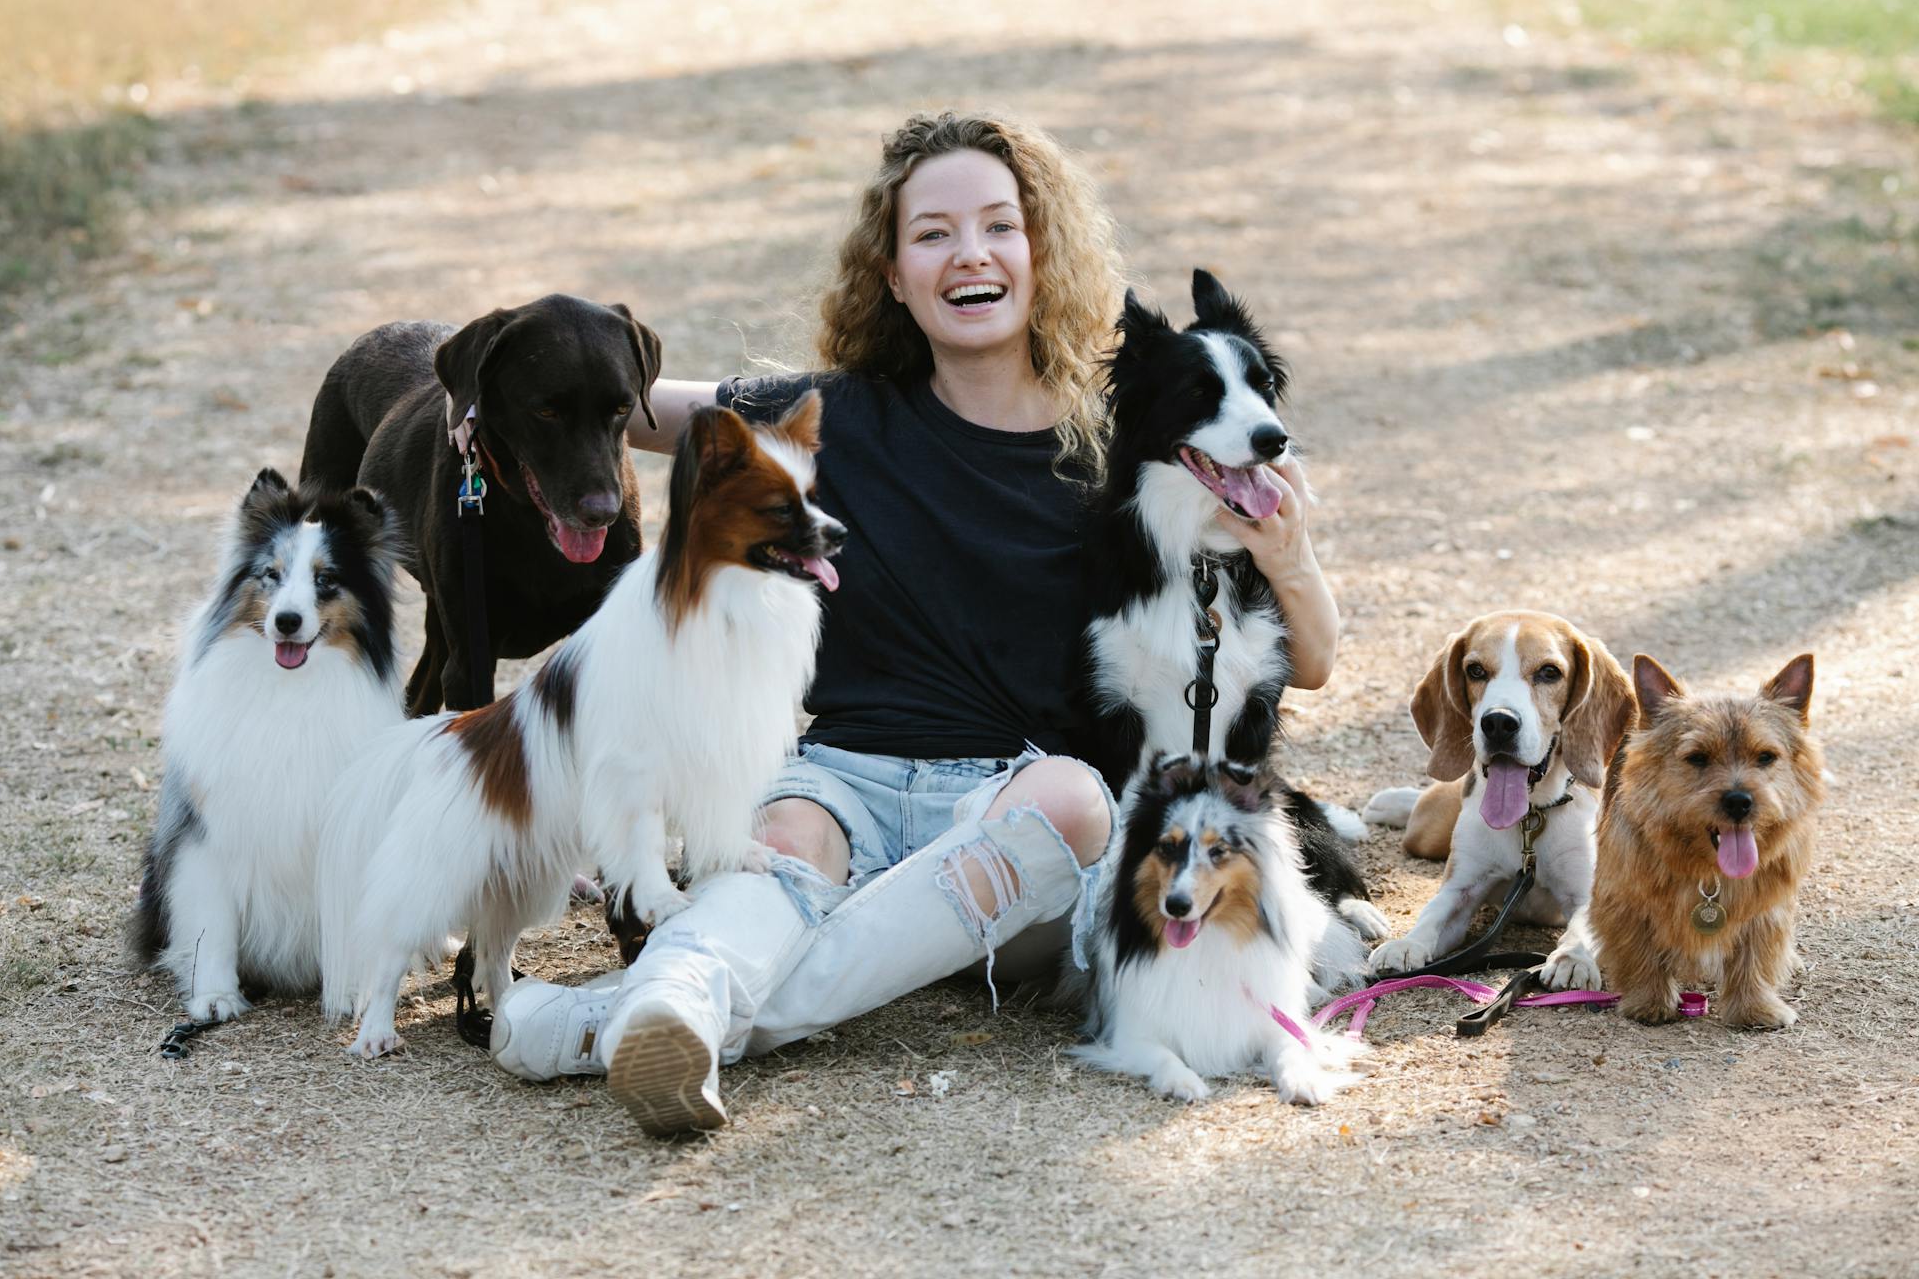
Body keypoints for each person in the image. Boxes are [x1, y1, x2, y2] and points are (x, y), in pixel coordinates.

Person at [485, 111, 1341, 1135]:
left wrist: (1288, 548)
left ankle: (605, 1019)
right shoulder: (842, 411)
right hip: (847, 774)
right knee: (783, 831)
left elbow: (1317, 660)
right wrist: (476, 387)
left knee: (1078, 803)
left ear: (1041, 252)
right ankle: (671, 1009)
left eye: (998, 225)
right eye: (932, 233)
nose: (969, 253)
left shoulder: (1122, 443)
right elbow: (636, 403)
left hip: (1009, 802)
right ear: (891, 274)